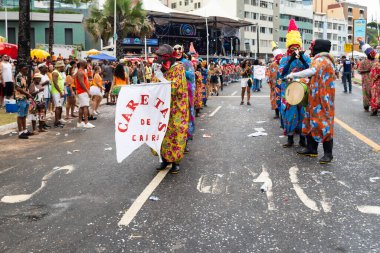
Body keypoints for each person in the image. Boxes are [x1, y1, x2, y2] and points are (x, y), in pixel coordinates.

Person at [287, 39, 336, 164]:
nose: (310, 48)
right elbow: (314, 76)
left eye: (312, 46)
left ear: (319, 47)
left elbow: (311, 71)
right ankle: (311, 149)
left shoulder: (322, 60)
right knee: (310, 122)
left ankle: (328, 154)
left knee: (323, 123)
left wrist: (294, 75)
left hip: (322, 100)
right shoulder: (322, 60)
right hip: (315, 99)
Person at [155, 44, 189, 174]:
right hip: (162, 109)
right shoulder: (160, 69)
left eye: (161, 57)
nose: (158, 60)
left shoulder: (178, 69)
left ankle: (175, 162)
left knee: (175, 135)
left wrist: (160, 79)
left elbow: (174, 89)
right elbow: (155, 86)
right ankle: (164, 160)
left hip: (176, 109)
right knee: (162, 134)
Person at [279, 19, 311, 148]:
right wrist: (290, 60)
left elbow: (310, 70)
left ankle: (303, 139)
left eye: (297, 48)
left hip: (303, 90)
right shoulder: (284, 59)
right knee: (290, 114)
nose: (295, 51)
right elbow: (282, 74)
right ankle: (290, 139)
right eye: (292, 49)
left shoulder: (306, 57)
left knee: (303, 114)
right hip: (290, 91)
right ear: (288, 49)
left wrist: (302, 59)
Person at [357, 39, 376, 112]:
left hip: (367, 81)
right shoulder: (376, 61)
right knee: (373, 94)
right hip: (372, 80)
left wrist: (366, 71)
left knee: (366, 94)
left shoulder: (363, 62)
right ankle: (373, 107)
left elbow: (359, 70)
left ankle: (367, 107)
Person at [14, 63, 32, 139]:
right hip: (20, 98)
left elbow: (25, 87)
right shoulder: (18, 76)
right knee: (20, 115)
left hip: (25, 97)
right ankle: (20, 132)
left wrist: (27, 94)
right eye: (25, 68)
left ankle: (25, 130)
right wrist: (27, 93)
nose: (26, 70)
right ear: (21, 69)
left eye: (27, 69)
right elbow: (18, 88)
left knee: (24, 115)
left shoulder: (24, 77)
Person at [75, 60, 95, 128]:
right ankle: (86, 122)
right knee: (85, 106)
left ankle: (79, 122)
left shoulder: (82, 71)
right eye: (86, 64)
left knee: (82, 107)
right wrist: (87, 91)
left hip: (82, 91)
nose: (87, 65)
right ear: (83, 64)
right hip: (82, 91)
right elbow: (81, 83)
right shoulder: (80, 72)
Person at [267, 42, 283, 119]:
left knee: (281, 98)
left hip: (281, 85)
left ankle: (280, 114)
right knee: (276, 99)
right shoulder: (272, 64)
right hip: (275, 85)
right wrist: (270, 83)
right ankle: (277, 113)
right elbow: (269, 74)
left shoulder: (284, 62)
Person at [51, 61, 66, 128]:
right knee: (57, 107)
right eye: (63, 66)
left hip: (60, 91)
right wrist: (60, 92)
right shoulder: (55, 73)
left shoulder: (58, 73)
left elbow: (59, 82)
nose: (64, 67)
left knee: (60, 107)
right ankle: (56, 122)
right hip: (56, 92)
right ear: (60, 67)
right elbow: (55, 83)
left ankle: (58, 120)